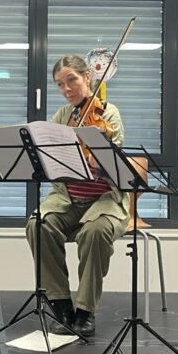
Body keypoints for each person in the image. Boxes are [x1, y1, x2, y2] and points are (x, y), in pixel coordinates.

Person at [25, 55, 129, 337]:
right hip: (67, 198)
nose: (67, 89)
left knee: (95, 231)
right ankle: (61, 304)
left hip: (105, 199)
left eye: (71, 80)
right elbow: (51, 158)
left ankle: (85, 310)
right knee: (38, 225)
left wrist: (99, 157)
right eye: (60, 84)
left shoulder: (108, 113)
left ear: (87, 77)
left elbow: (115, 159)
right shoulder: (62, 116)